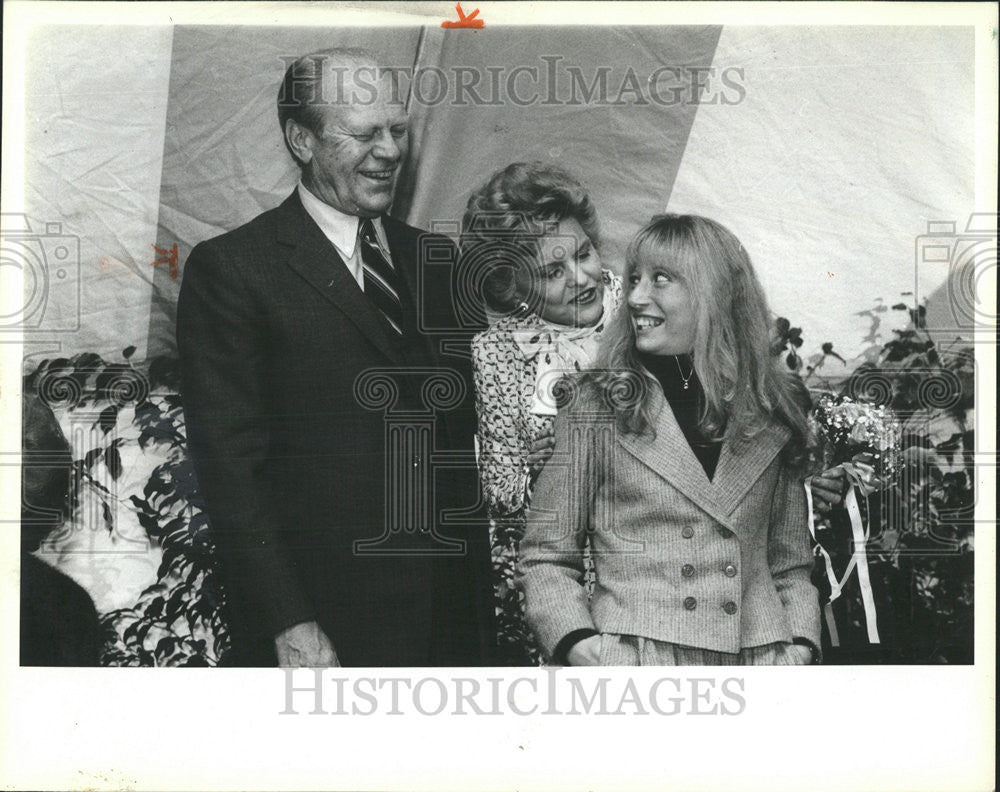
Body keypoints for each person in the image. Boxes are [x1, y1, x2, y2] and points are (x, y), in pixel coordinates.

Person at [176, 47, 489, 667]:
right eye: (364, 133)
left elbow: (458, 441)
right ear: (302, 140)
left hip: (454, 617)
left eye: (397, 130)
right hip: (327, 628)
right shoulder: (233, 271)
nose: (391, 151)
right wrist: (287, 619)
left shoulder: (437, 260)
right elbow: (232, 470)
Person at [517, 214, 822, 666]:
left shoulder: (770, 410)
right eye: (634, 278)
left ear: (714, 293)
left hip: (759, 663)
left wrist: (800, 644)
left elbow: (790, 562)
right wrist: (578, 642)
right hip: (639, 662)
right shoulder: (594, 406)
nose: (636, 297)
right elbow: (547, 553)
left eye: (661, 279)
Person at [461, 162, 623, 665]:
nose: (580, 278)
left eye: (583, 254)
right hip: (565, 578)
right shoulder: (496, 353)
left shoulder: (648, 312)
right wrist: (541, 466)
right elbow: (500, 490)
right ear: (514, 288)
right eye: (553, 272)